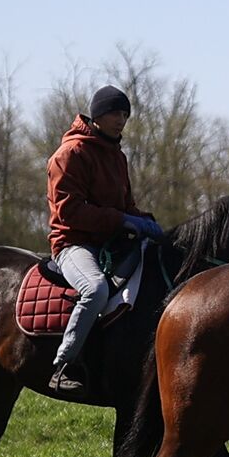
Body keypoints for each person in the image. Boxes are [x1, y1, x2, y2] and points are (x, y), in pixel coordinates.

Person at [46, 85, 163, 395]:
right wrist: (123, 220)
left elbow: (125, 207)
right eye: (114, 112)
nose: (120, 119)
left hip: (110, 242)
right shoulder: (69, 154)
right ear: (97, 115)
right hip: (73, 244)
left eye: (125, 114)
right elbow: (69, 212)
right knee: (96, 290)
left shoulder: (117, 156)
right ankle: (63, 365)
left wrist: (145, 221)